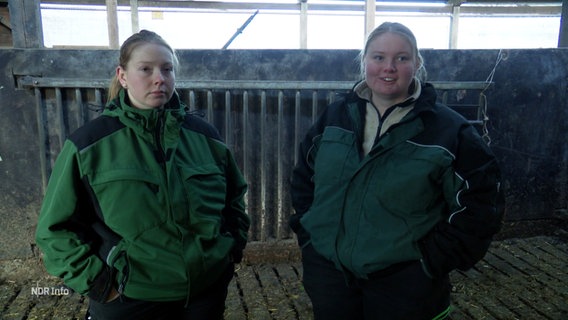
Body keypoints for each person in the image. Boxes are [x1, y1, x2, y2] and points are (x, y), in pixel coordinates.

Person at [289, 22, 504, 320]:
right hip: (330, 276)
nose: (388, 67)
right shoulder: (335, 117)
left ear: (416, 64)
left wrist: (431, 261)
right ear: (364, 61)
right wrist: (312, 237)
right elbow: (304, 180)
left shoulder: (449, 131)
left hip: (405, 285)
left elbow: (481, 205)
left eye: (401, 58)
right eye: (378, 57)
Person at [35, 30, 250, 320]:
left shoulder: (205, 137)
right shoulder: (90, 144)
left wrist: (229, 252)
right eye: (145, 69)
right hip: (130, 297)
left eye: (167, 69)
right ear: (122, 76)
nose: (159, 78)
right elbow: (54, 229)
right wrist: (100, 283)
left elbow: (233, 199)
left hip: (203, 295)